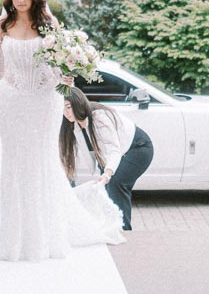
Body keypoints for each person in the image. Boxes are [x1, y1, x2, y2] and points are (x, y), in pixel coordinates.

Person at [0, 0, 123, 261]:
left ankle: (41, 241)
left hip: (43, 100)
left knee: (40, 162)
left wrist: (67, 75)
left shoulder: (48, 24)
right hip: (10, 101)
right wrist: (1, 99)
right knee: (14, 163)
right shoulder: (0, 25)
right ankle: (13, 242)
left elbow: (58, 68)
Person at [60, 86, 154, 231]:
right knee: (107, 187)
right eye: (63, 108)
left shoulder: (99, 117)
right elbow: (87, 154)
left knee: (117, 182)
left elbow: (113, 150)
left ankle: (124, 230)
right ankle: (114, 227)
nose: (66, 113)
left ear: (78, 103)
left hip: (138, 147)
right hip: (117, 153)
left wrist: (107, 174)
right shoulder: (75, 125)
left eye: (68, 107)